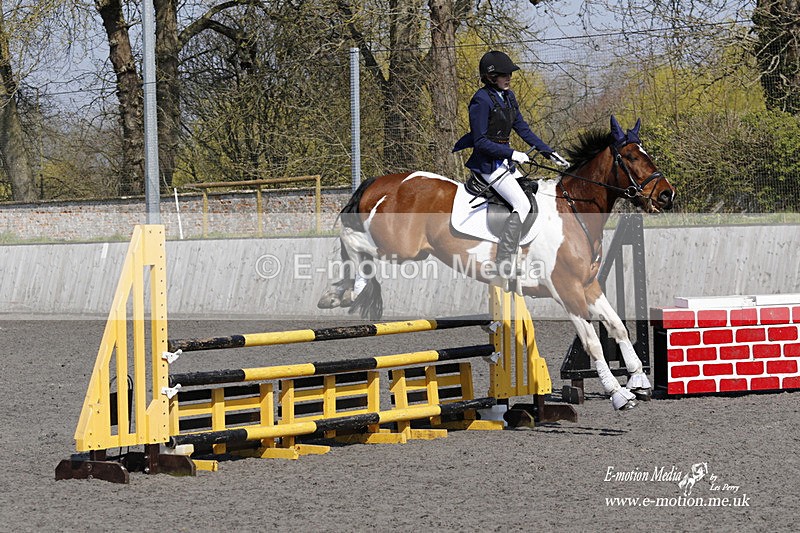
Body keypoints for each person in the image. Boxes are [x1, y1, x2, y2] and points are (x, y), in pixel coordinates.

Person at [453, 50, 569, 275]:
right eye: (504, 74)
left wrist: (548, 152)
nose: (509, 77)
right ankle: (504, 261)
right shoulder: (481, 100)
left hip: (504, 163)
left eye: (509, 74)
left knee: (534, 193)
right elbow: (480, 141)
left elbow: (522, 128)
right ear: (490, 76)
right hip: (488, 164)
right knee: (522, 205)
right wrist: (512, 153)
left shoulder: (508, 97)